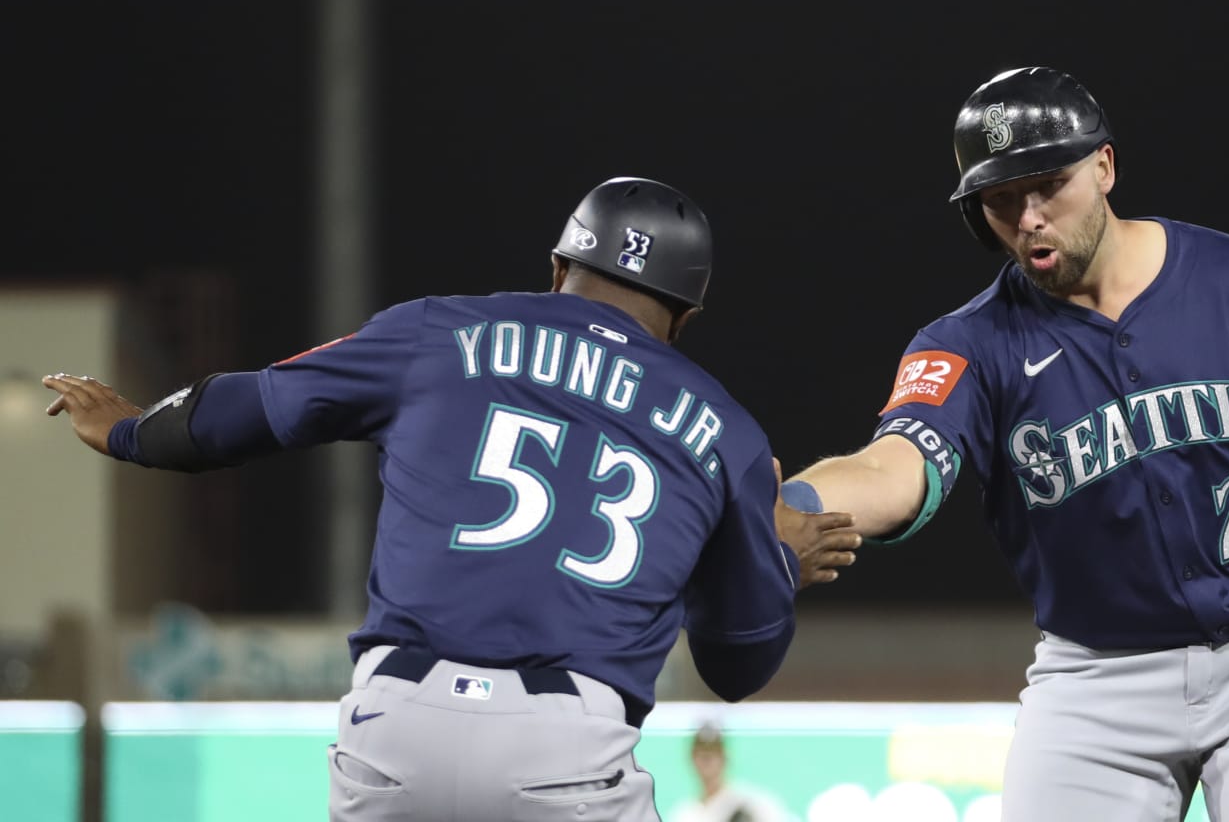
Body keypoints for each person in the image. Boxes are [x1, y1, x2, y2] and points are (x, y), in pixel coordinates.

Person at [42, 175, 861, 822]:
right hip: (566, 752)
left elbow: (244, 412)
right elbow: (737, 665)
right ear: (684, 317)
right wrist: (776, 554)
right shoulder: (727, 430)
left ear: (557, 269)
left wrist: (129, 430)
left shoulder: (436, 329)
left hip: (395, 730)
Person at [777, 66, 1229, 821]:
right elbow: (894, 464)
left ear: (1106, 166)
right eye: (1001, 198)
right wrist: (787, 503)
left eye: (1047, 183)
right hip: (1097, 681)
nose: (1029, 217)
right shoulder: (967, 346)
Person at [668, 720, 787, 822]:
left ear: (725, 757)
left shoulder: (750, 804)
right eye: (702, 753)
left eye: (713, 752)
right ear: (692, 758)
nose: (707, 759)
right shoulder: (684, 813)